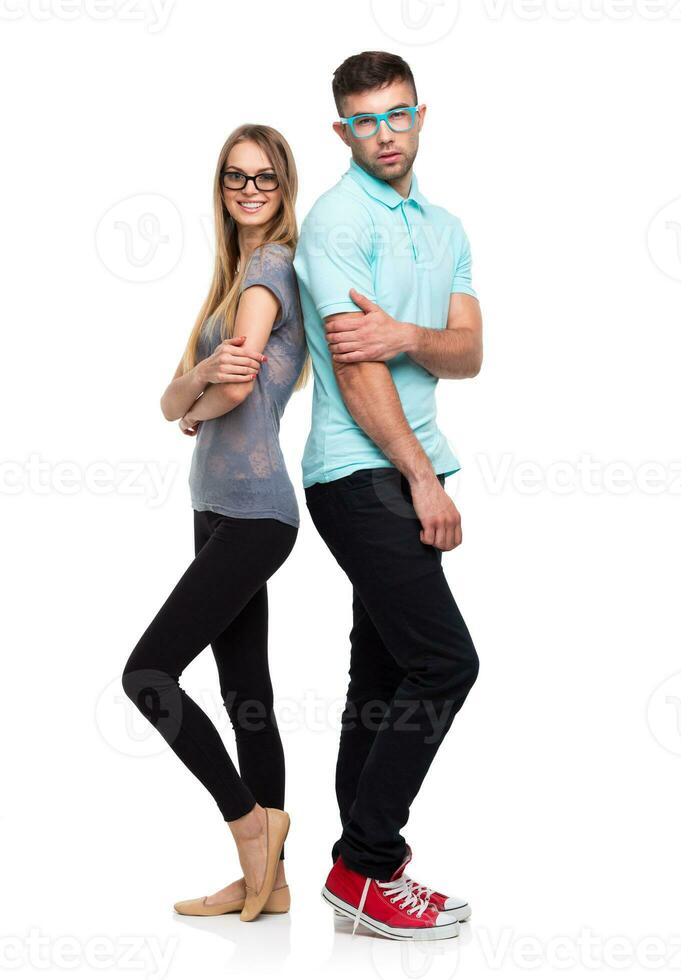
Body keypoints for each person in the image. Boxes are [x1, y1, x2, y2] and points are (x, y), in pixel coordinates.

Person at [294, 51, 483, 941]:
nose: (384, 132)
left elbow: (468, 350)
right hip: (359, 467)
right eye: (365, 120)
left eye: (397, 114)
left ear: (418, 115)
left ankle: (361, 873)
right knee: (446, 662)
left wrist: (410, 331)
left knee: (383, 673)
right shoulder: (335, 219)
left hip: (413, 463)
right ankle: (365, 867)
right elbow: (353, 365)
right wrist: (415, 476)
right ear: (343, 130)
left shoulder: (443, 226)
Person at [122, 124, 308, 922]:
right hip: (215, 506)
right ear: (221, 186)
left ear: (284, 184)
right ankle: (272, 888)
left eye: (264, 177)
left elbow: (225, 397)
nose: (249, 189)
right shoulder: (230, 279)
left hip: (255, 512)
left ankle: (249, 829)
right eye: (235, 176)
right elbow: (173, 401)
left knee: (147, 676)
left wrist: (195, 396)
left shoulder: (268, 271)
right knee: (246, 696)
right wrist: (193, 384)